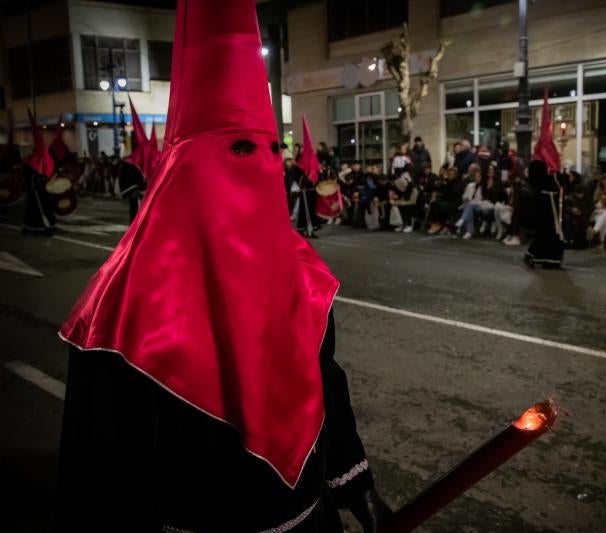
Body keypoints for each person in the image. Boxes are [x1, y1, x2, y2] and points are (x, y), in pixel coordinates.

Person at [55, 3, 392, 531]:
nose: (260, 164)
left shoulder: (301, 274)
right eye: (238, 147)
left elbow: (325, 387)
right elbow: (98, 473)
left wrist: (357, 490)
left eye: (268, 149)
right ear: (185, 167)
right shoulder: (121, 305)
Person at [524, 159, 566, 269]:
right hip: (547, 213)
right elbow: (557, 182)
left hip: (548, 213)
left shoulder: (539, 181)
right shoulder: (541, 182)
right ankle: (547, 260)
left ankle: (550, 261)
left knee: (547, 236)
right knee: (547, 236)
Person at [456, 163, 489, 239]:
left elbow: (484, 200)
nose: (477, 178)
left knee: (469, 206)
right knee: (469, 207)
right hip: (469, 204)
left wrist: (472, 202)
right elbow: (463, 196)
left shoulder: (483, 188)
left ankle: (462, 220)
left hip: (480, 206)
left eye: (479, 177)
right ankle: (469, 232)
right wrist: (466, 198)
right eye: (476, 177)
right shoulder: (470, 185)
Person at [586, 174, 606, 250]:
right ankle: (602, 243)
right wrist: (602, 201)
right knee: (604, 221)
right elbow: (597, 206)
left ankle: (594, 231)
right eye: (604, 184)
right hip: (599, 212)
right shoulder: (598, 192)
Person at [427, 166, 463, 235]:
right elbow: (439, 187)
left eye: (451, 174)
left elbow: (452, 194)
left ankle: (438, 224)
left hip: (455, 203)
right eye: (449, 174)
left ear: (455, 175)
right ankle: (438, 224)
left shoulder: (458, 183)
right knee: (434, 203)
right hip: (447, 200)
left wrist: (444, 190)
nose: (449, 176)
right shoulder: (447, 181)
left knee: (438, 205)